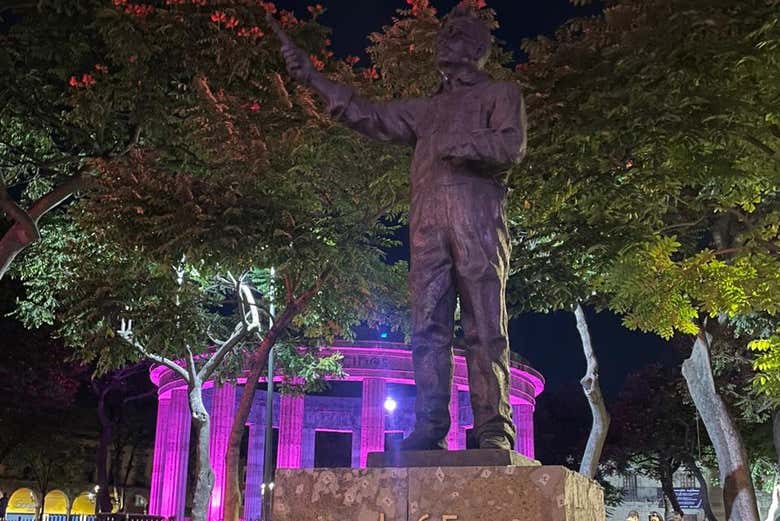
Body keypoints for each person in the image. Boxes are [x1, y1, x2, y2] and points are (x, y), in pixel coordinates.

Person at [270, 4, 526, 451]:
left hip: (477, 217)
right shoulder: (426, 108)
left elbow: (511, 144)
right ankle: (430, 424)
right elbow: (365, 112)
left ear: (479, 49)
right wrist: (311, 76)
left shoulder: (499, 94)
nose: (444, 39)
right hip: (427, 222)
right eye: (442, 33)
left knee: (485, 325)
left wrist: (454, 143)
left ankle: (493, 427)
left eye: (456, 34)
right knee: (427, 326)